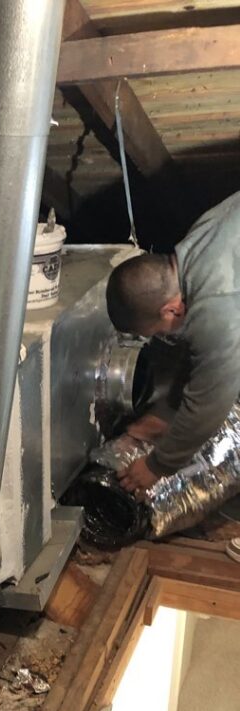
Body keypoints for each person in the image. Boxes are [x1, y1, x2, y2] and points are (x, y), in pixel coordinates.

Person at [105, 192, 240, 498]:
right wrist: (165, 414)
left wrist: (156, 466)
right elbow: (199, 348)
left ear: (170, 310)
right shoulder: (191, 252)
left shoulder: (216, 304)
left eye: (157, 332)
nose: (162, 338)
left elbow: (212, 400)